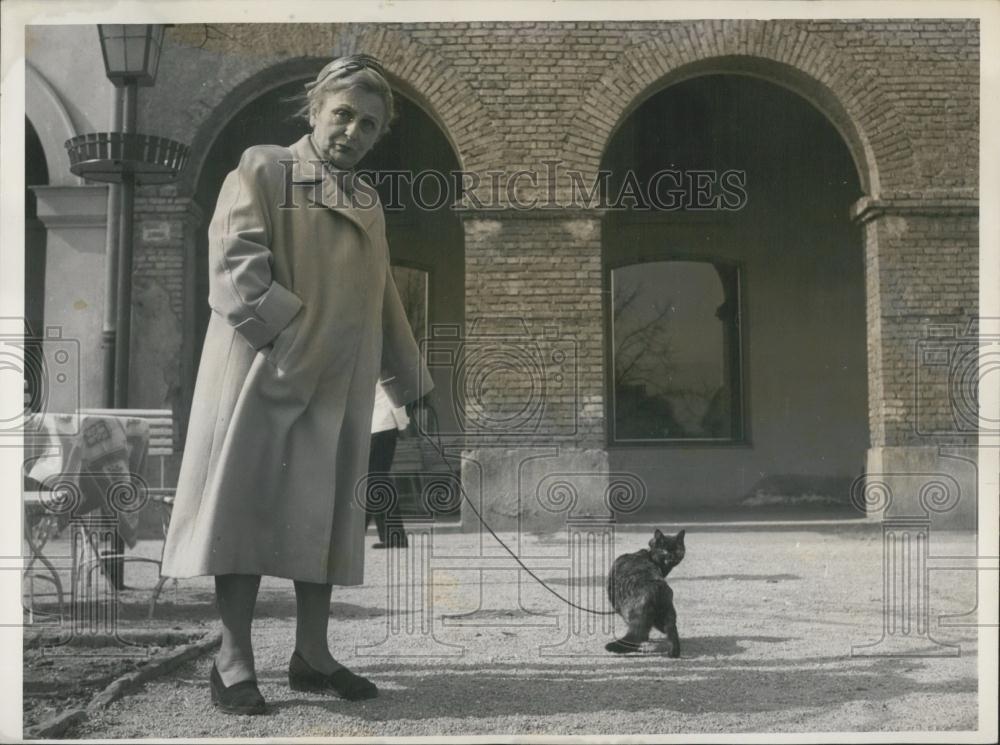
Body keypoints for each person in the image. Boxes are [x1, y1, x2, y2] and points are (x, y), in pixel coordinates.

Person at [159, 54, 432, 715]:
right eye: (343, 115)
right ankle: (233, 660)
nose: (353, 132)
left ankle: (313, 654)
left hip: (341, 386)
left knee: (329, 517)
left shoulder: (367, 200)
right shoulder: (262, 167)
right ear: (314, 109)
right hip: (264, 375)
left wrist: (411, 381)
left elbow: (383, 298)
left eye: (369, 125)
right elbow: (234, 268)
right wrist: (295, 337)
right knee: (245, 513)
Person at [365, 380, 410, 549]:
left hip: (383, 427)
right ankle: (393, 536)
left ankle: (394, 536)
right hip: (375, 428)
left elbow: (396, 399)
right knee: (375, 480)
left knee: (376, 480)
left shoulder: (383, 368)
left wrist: (403, 425)